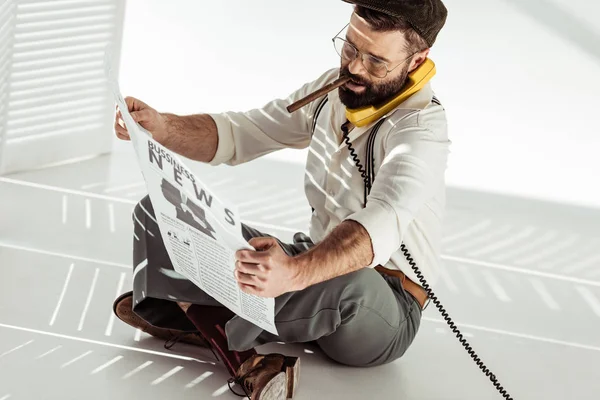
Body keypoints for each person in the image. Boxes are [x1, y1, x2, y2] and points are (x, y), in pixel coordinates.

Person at [113, 1, 449, 399]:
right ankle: (241, 352)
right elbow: (242, 132)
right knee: (160, 208)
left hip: (379, 311)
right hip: (310, 267)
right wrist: (164, 127)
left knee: (353, 282)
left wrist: (290, 274)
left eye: (377, 61)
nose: (356, 68)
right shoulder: (333, 92)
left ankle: (193, 311)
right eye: (350, 48)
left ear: (416, 62)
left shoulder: (422, 132)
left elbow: (377, 224)